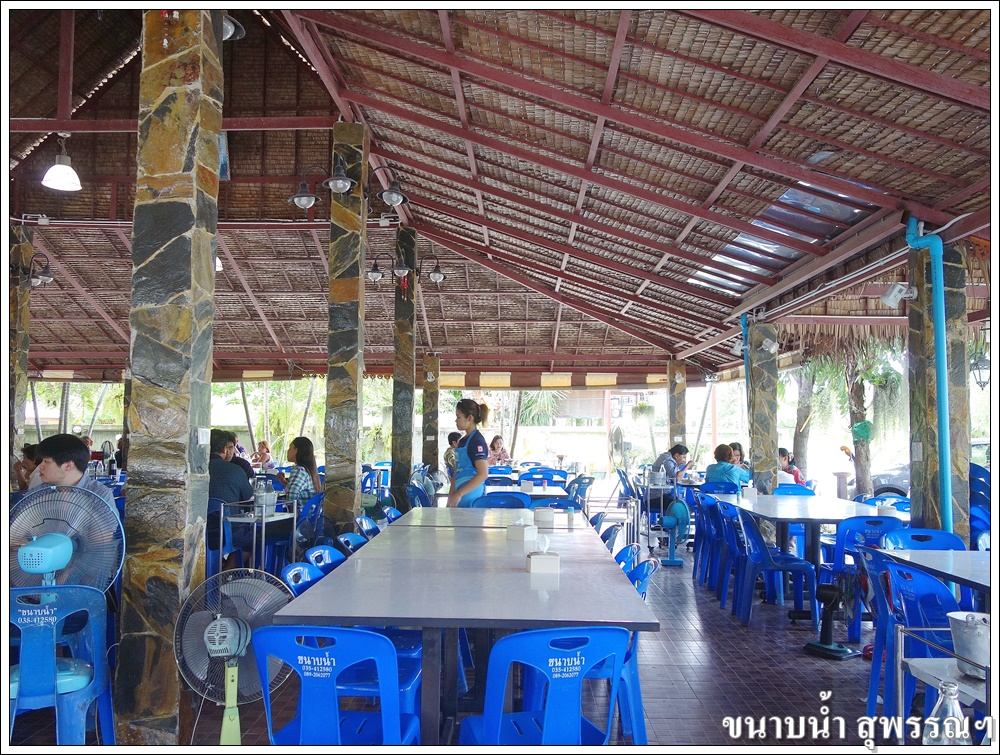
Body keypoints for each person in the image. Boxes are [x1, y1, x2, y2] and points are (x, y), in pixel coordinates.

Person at [208, 429, 254, 568]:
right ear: (224, 449)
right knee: (252, 537)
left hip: (200, 529)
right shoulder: (236, 470)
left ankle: (216, 569)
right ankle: (225, 573)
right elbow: (248, 497)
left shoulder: (197, 470)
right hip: (228, 530)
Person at [34, 433, 114, 507]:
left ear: (68, 466)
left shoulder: (100, 495)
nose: (40, 466)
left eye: (46, 461)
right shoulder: (38, 493)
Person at [447, 399, 490, 507]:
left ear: (470, 418)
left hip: (471, 494)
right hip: (460, 491)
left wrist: (459, 494)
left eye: (458, 417)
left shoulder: (477, 441)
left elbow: (483, 474)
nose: (456, 420)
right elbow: (457, 472)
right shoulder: (462, 441)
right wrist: (451, 495)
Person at [276, 436, 322, 507]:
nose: (287, 451)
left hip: (299, 513)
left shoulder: (299, 470)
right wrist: (283, 481)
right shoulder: (308, 470)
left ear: (296, 450)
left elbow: (291, 499)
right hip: (310, 513)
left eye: (290, 448)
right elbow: (296, 490)